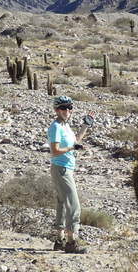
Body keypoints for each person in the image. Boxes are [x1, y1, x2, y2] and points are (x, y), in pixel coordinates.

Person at [48, 95, 94, 253]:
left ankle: (59, 241)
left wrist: (85, 126)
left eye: (69, 108)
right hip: (61, 169)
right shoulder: (56, 127)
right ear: (56, 110)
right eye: (63, 108)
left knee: (62, 203)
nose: (67, 110)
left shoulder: (65, 126)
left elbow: (76, 142)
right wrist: (71, 149)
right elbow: (54, 151)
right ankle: (71, 243)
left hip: (66, 168)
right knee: (74, 205)